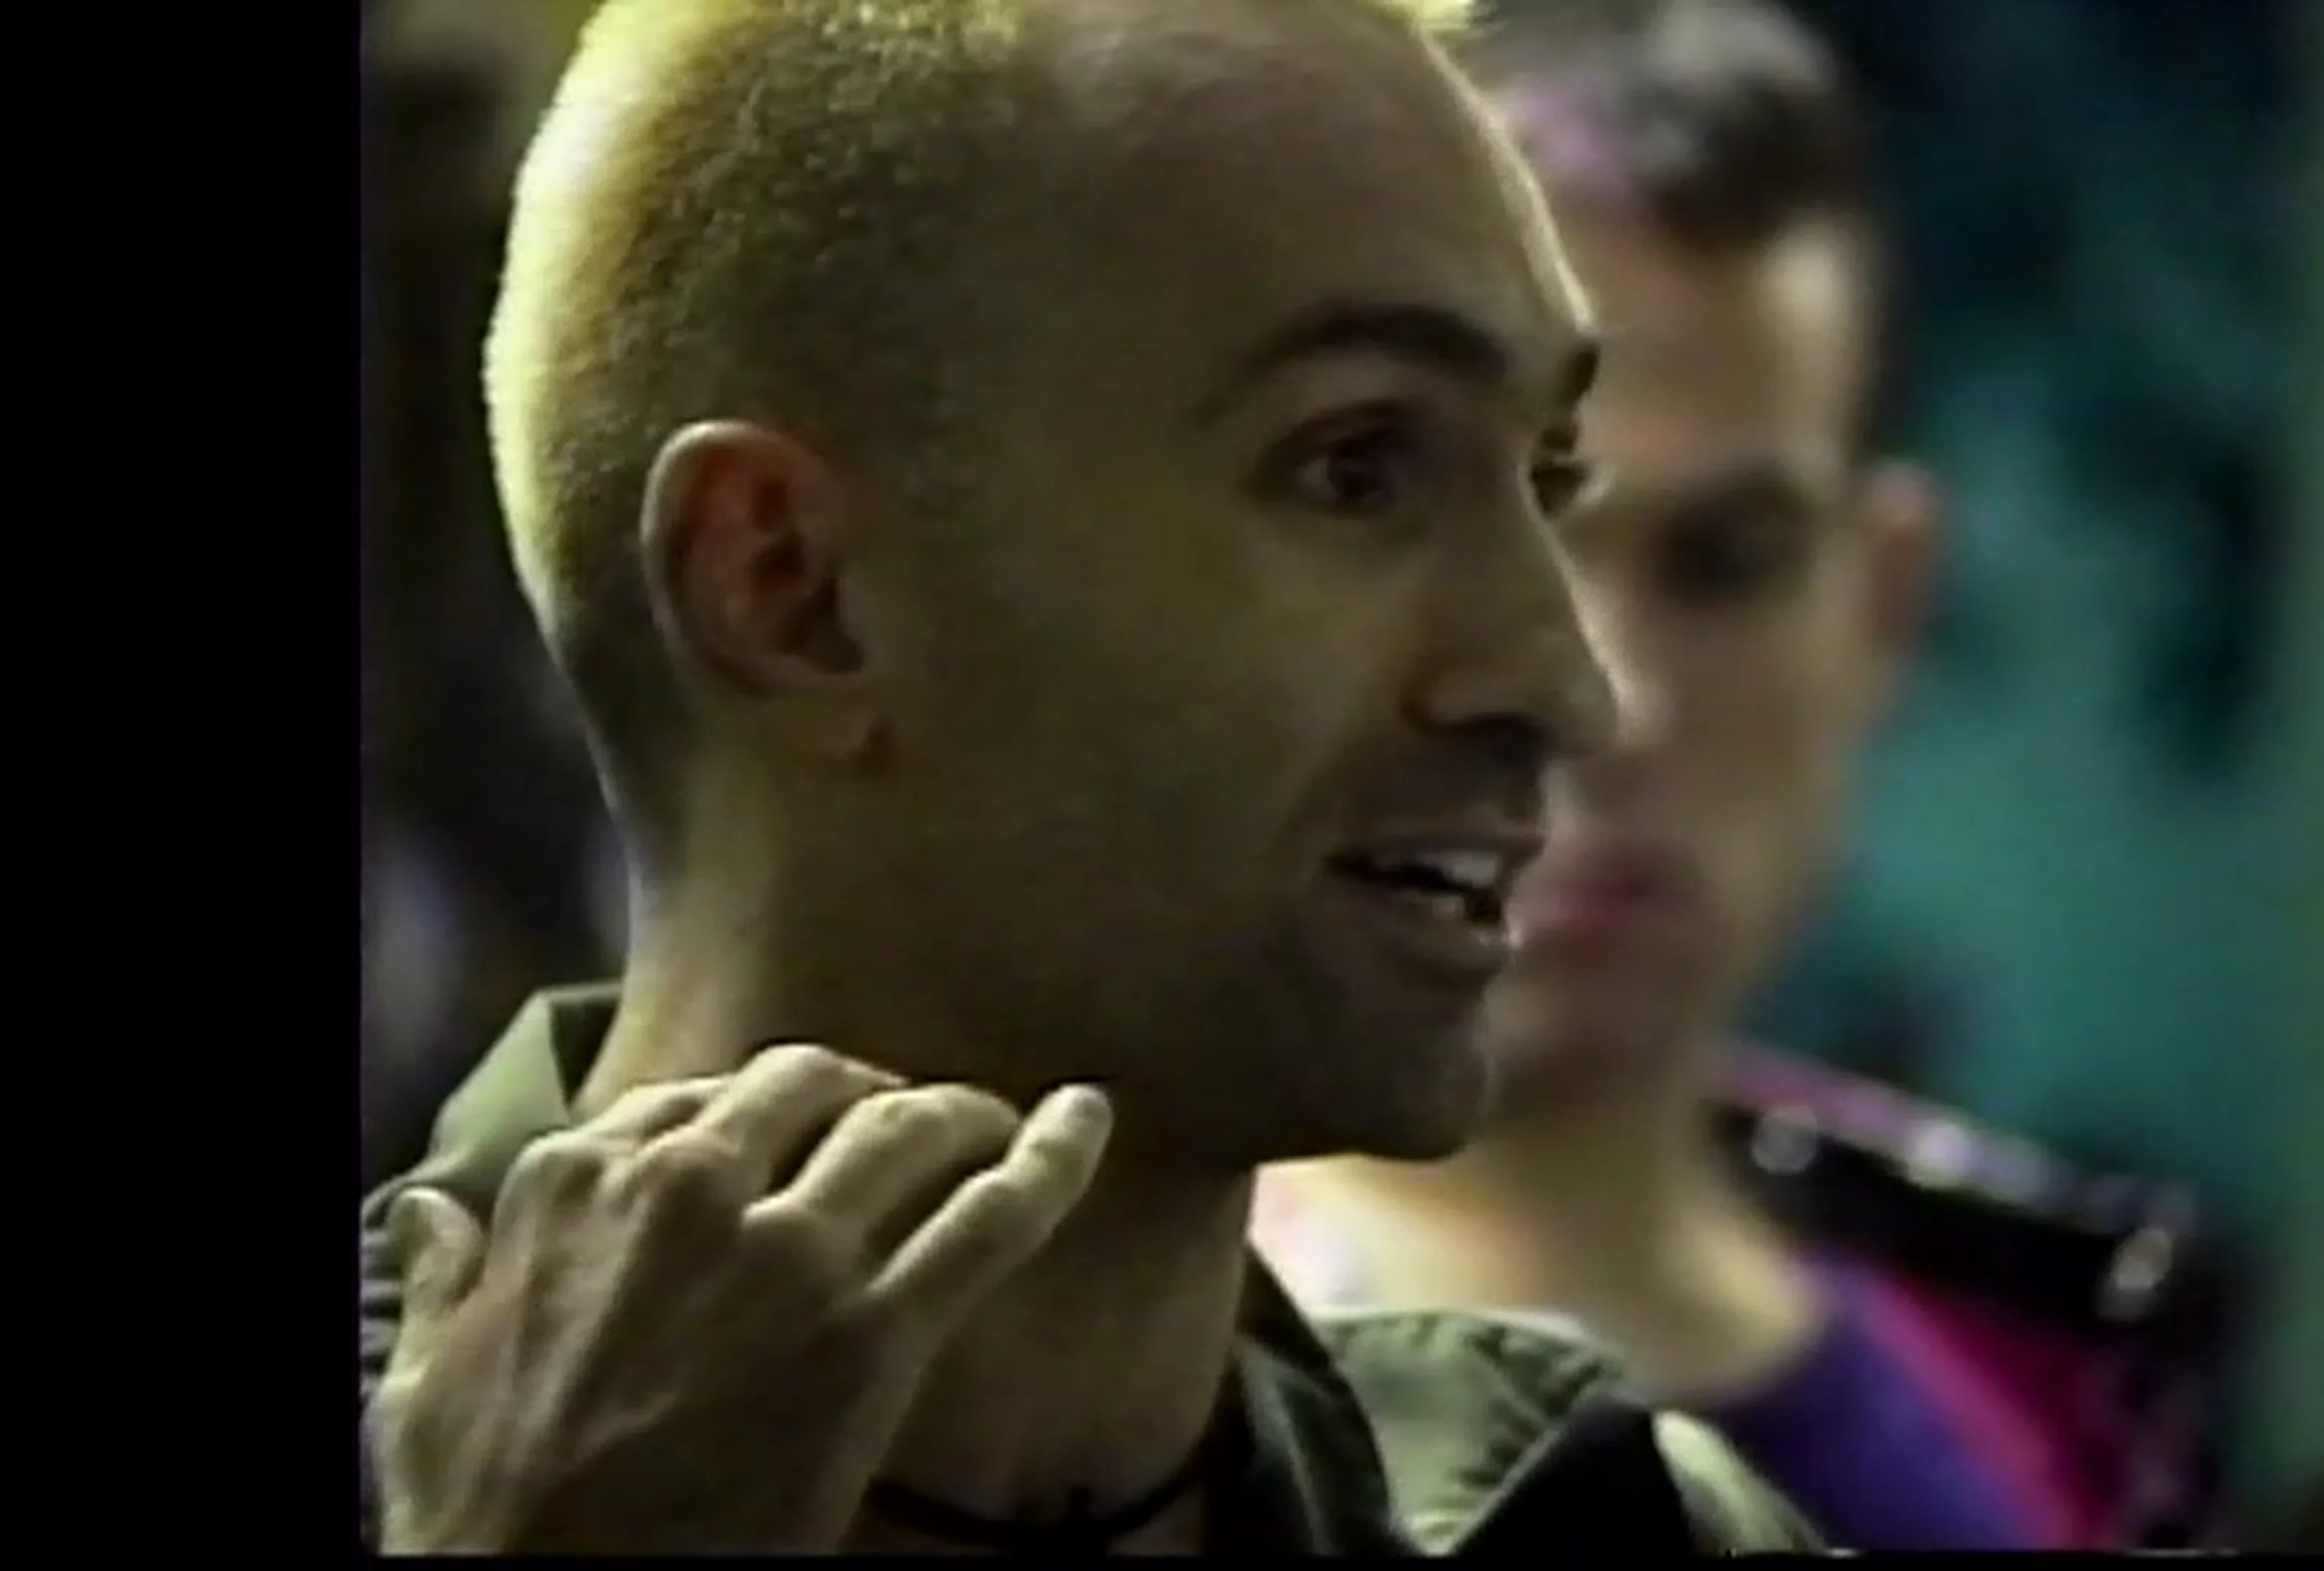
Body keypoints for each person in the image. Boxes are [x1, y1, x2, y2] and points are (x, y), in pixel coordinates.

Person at [356, 0, 1827, 1554]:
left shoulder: (1627, 1526)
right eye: (1356, 466)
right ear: (793, 591)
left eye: (1545, 477)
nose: (1570, 688)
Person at [1254, 0, 2219, 1548]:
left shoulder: (2061, 1372)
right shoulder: (1028, 1388)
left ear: (1883, 605)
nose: (1611, 704)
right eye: (1498, 530)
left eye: (1727, 561)